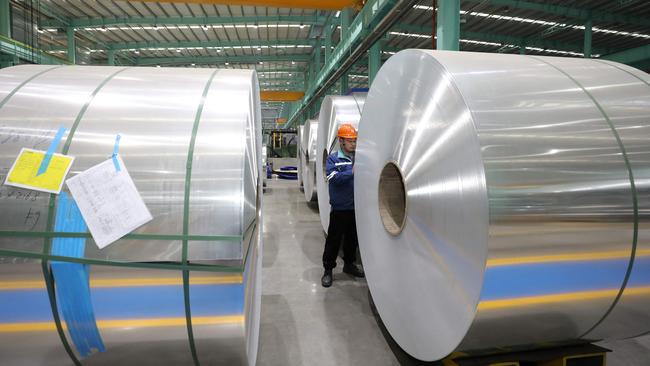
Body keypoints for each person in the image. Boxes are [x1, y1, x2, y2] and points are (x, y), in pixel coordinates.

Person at [321, 123, 365, 288]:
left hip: (355, 208)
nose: (353, 144)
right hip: (339, 209)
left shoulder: (358, 158)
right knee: (334, 240)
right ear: (341, 141)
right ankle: (328, 270)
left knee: (352, 240)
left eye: (355, 141)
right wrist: (351, 172)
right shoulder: (333, 159)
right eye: (350, 141)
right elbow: (333, 178)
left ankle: (349, 264)